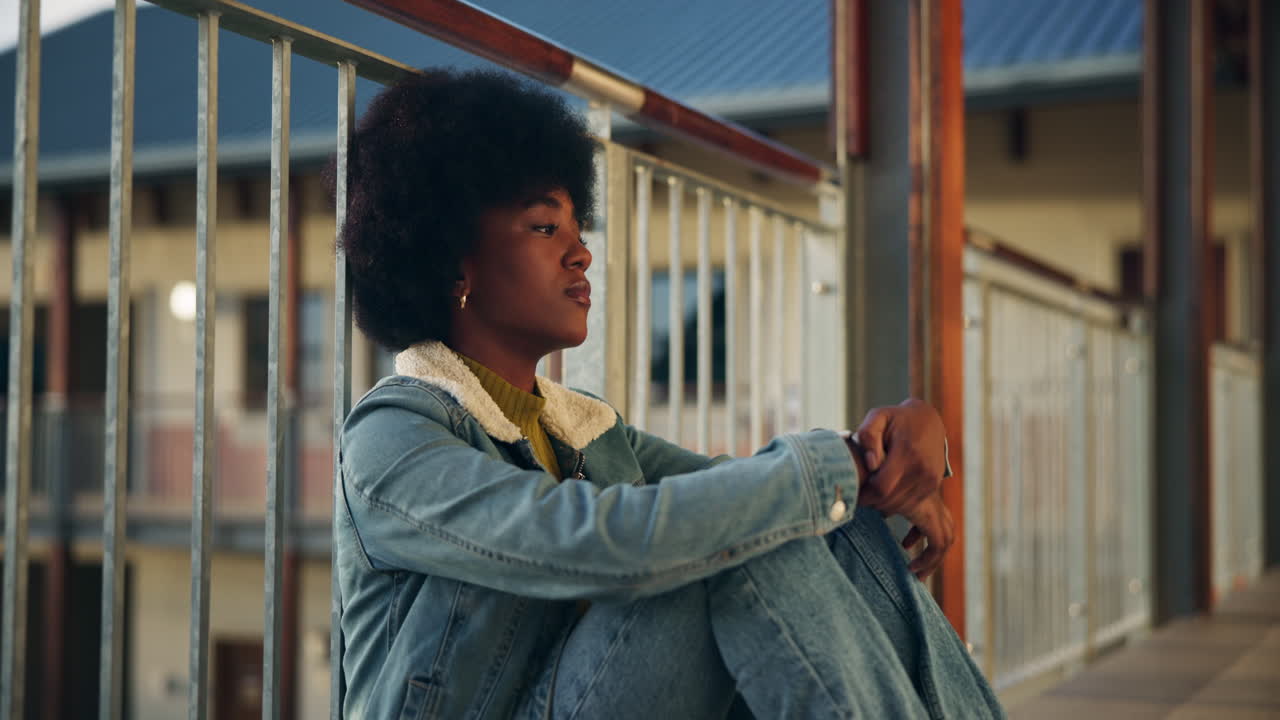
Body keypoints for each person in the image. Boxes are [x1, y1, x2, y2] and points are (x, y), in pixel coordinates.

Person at [331, 68, 1004, 720]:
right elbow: (592, 541)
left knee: (788, 516)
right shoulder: (393, 438)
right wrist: (839, 468)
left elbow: (752, 491)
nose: (580, 253)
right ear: (452, 260)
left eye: (577, 227)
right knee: (753, 519)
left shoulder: (583, 429)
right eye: (544, 227)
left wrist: (896, 443)